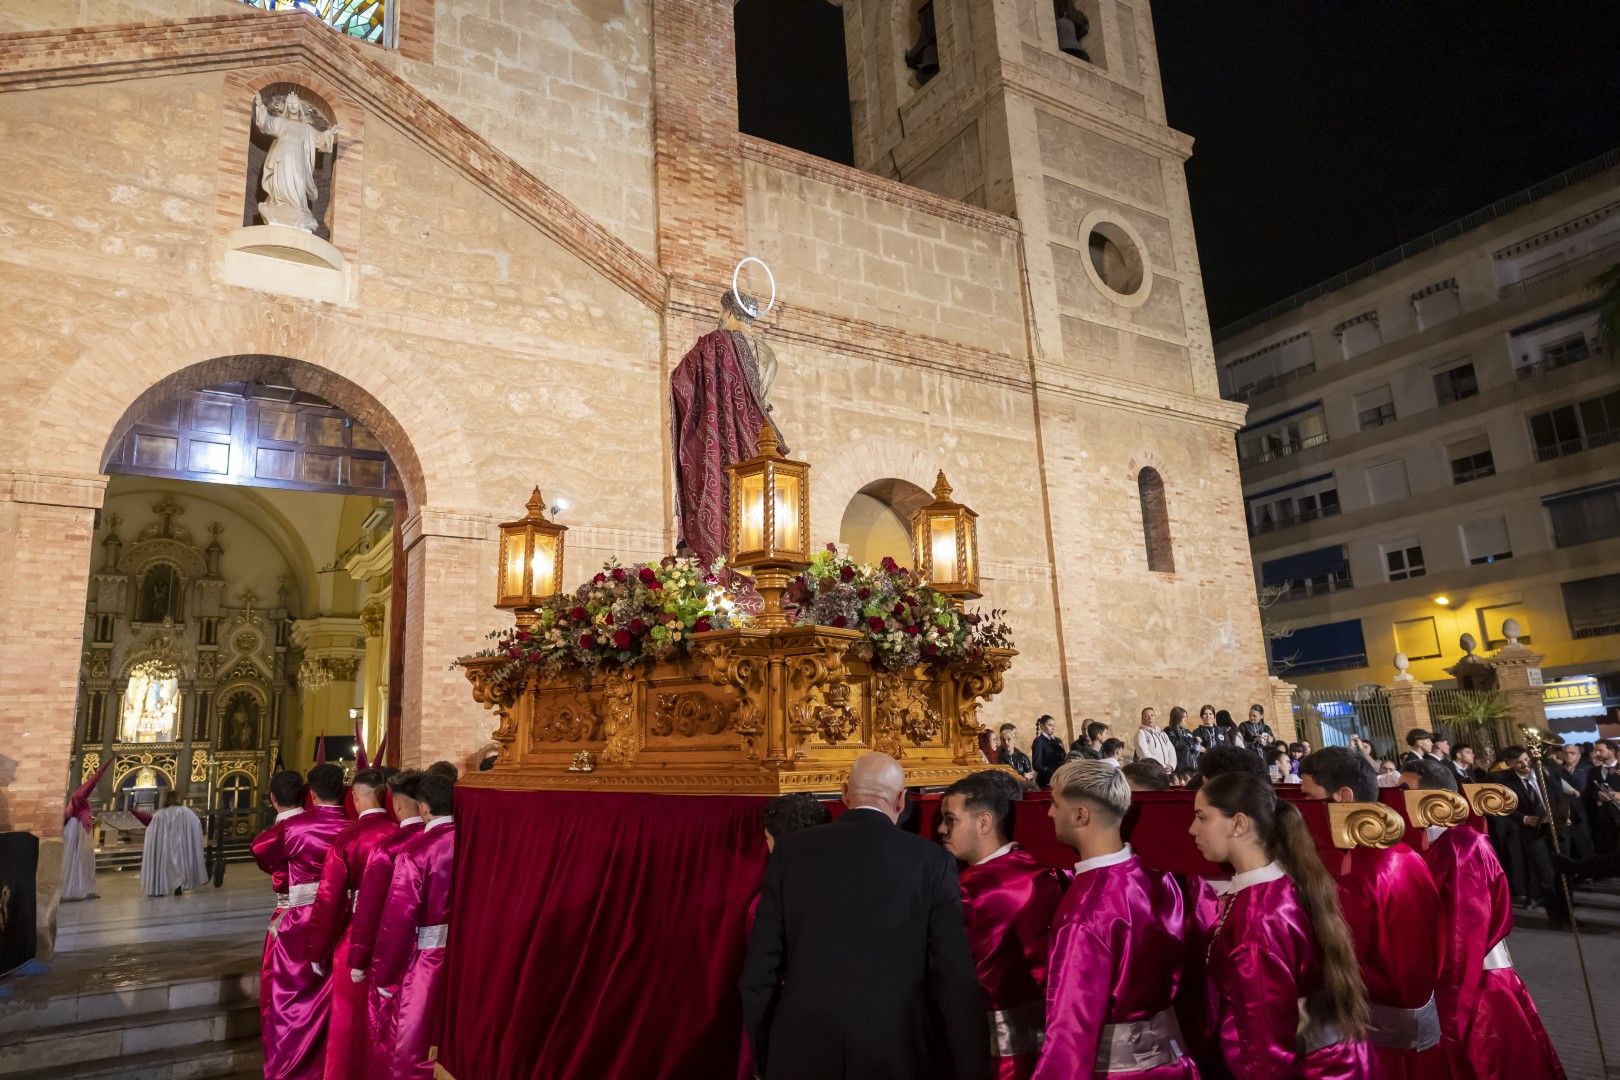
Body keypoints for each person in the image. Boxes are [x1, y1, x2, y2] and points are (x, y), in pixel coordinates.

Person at [740, 752, 988, 1080]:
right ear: (901, 799)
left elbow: (758, 975)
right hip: (896, 1052)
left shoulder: (790, 852)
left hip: (799, 1052)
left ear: (845, 794)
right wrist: (969, 1068)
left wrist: (767, 1058)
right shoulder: (930, 861)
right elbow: (954, 976)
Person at [1190, 772, 1376, 1078]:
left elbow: (1266, 1051)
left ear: (1238, 824)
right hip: (1334, 1059)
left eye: (1202, 817)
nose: (1192, 828)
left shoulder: (1257, 921)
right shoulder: (1279, 882)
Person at [1403, 759, 1564, 1079]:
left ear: (1434, 797)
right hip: (1453, 980)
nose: (1397, 798)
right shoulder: (1432, 842)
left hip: (1477, 986)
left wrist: (1451, 1012)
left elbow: (1467, 931)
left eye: (1406, 789)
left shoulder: (1464, 845)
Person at [1037, 760, 1195, 1079]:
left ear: (1080, 814)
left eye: (1055, 804)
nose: (1049, 813)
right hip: (1177, 1061)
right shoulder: (1161, 880)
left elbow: (1070, 1032)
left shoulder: (1084, 910)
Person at [1299, 748, 1447, 1079]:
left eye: (1310, 799)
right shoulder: (1407, 853)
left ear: (1344, 797)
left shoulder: (1358, 876)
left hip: (1383, 1045)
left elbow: (1346, 961)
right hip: (1423, 1028)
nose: (1305, 811)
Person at [938, 772, 1066, 1080]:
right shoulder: (1050, 872)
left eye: (950, 819)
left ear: (984, 822)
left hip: (993, 1050)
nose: (941, 829)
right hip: (1051, 1043)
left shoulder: (965, 891)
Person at [305, 768, 397, 1079]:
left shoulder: (348, 839)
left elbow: (329, 900)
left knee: (351, 1021)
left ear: (355, 798)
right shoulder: (402, 832)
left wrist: (317, 949)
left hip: (358, 936)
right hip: (400, 936)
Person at [259, 762, 348, 1080]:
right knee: (336, 997)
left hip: (301, 921)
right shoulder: (352, 828)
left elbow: (263, 853)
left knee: (291, 998)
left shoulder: (293, 829)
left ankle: (289, 1067)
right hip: (344, 919)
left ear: (312, 793)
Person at [739, 794, 833, 1080]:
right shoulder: (844, 888)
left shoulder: (767, 904)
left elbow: (758, 982)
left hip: (788, 1030)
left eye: (768, 838)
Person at [372, 771, 456, 1080]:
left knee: (410, 1048)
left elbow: (398, 921)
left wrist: (385, 975)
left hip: (426, 961)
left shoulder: (415, 853)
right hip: (465, 958)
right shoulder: (475, 841)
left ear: (423, 807)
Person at [347, 768, 427, 1068]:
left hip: (394, 952)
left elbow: (369, 910)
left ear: (395, 803)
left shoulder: (388, 848)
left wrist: (358, 959)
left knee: (390, 1034)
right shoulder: (445, 837)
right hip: (436, 953)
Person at [1496, 746, 1556, 908]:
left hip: (1556, 825)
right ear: (1510, 764)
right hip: (1532, 829)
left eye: (1526, 759)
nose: (1525, 764)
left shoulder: (1544, 773)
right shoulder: (1506, 781)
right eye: (1519, 762)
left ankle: (1562, 897)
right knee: (1542, 866)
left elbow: (1558, 794)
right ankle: (1550, 902)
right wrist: (1524, 819)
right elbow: (1505, 807)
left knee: (1559, 863)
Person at [60, 757, 112, 902]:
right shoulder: (78, 802)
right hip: (77, 832)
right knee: (78, 858)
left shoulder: (76, 802)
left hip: (76, 830)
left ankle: (80, 887)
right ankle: (75, 888)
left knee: (79, 859)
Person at [138, 790, 208, 897]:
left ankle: (159, 887)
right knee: (180, 864)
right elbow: (196, 825)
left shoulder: (159, 815)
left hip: (164, 848)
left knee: (163, 866)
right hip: (181, 847)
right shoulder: (187, 812)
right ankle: (178, 886)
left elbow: (151, 832)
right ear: (178, 799)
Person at [1030, 715, 1066, 789]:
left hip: (1060, 779)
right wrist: (1049, 771)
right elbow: (1036, 764)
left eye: (1054, 725)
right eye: (1050, 725)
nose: (1053, 728)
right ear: (1042, 726)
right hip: (1046, 781)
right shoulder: (1039, 741)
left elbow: (1063, 757)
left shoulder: (1058, 740)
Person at [1163, 707, 1201, 773]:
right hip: (1179, 770)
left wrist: (1197, 744)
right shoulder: (1168, 732)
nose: (1186, 719)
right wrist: (1188, 740)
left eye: (1187, 717)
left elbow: (1195, 753)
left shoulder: (1188, 732)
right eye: (1184, 717)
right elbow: (1177, 747)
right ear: (1177, 718)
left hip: (1193, 768)